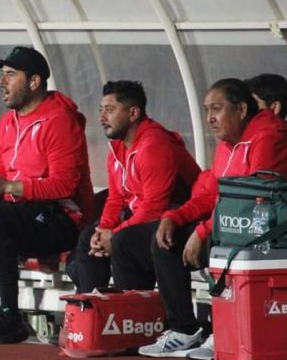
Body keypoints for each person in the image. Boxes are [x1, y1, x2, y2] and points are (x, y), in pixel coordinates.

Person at [139, 78, 287, 357]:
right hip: (236, 225)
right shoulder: (228, 142)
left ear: (241, 110)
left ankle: (226, 331)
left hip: (271, 229)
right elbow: (211, 193)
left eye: (216, 109)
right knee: (157, 240)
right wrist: (174, 216)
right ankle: (181, 330)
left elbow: (251, 202)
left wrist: (202, 231)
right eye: (206, 110)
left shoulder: (268, 138)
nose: (209, 118)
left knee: (215, 245)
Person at [0, 46, 95, 344]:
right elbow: (2, 178)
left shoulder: (59, 120)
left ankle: (10, 314)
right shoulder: (8, 122)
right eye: (2, 76)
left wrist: (8, 187)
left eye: (10, 75)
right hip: (15, 216)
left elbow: (64, 187)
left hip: (61, 219)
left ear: (34, 82)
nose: (2, 82)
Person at [69, 81, 201, 293]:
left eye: (110, 110)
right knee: (89, 239)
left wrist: (115, 234)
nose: (102, 118)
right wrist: (104, 229)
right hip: (144, 217)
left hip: (178, 221)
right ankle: (93, 312)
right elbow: (115, 197)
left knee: (123, 241)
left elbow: (154, 208)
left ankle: (132, 316)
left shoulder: (153, 146)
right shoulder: (118, 146)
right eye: (101, 110)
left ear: (133, 113)